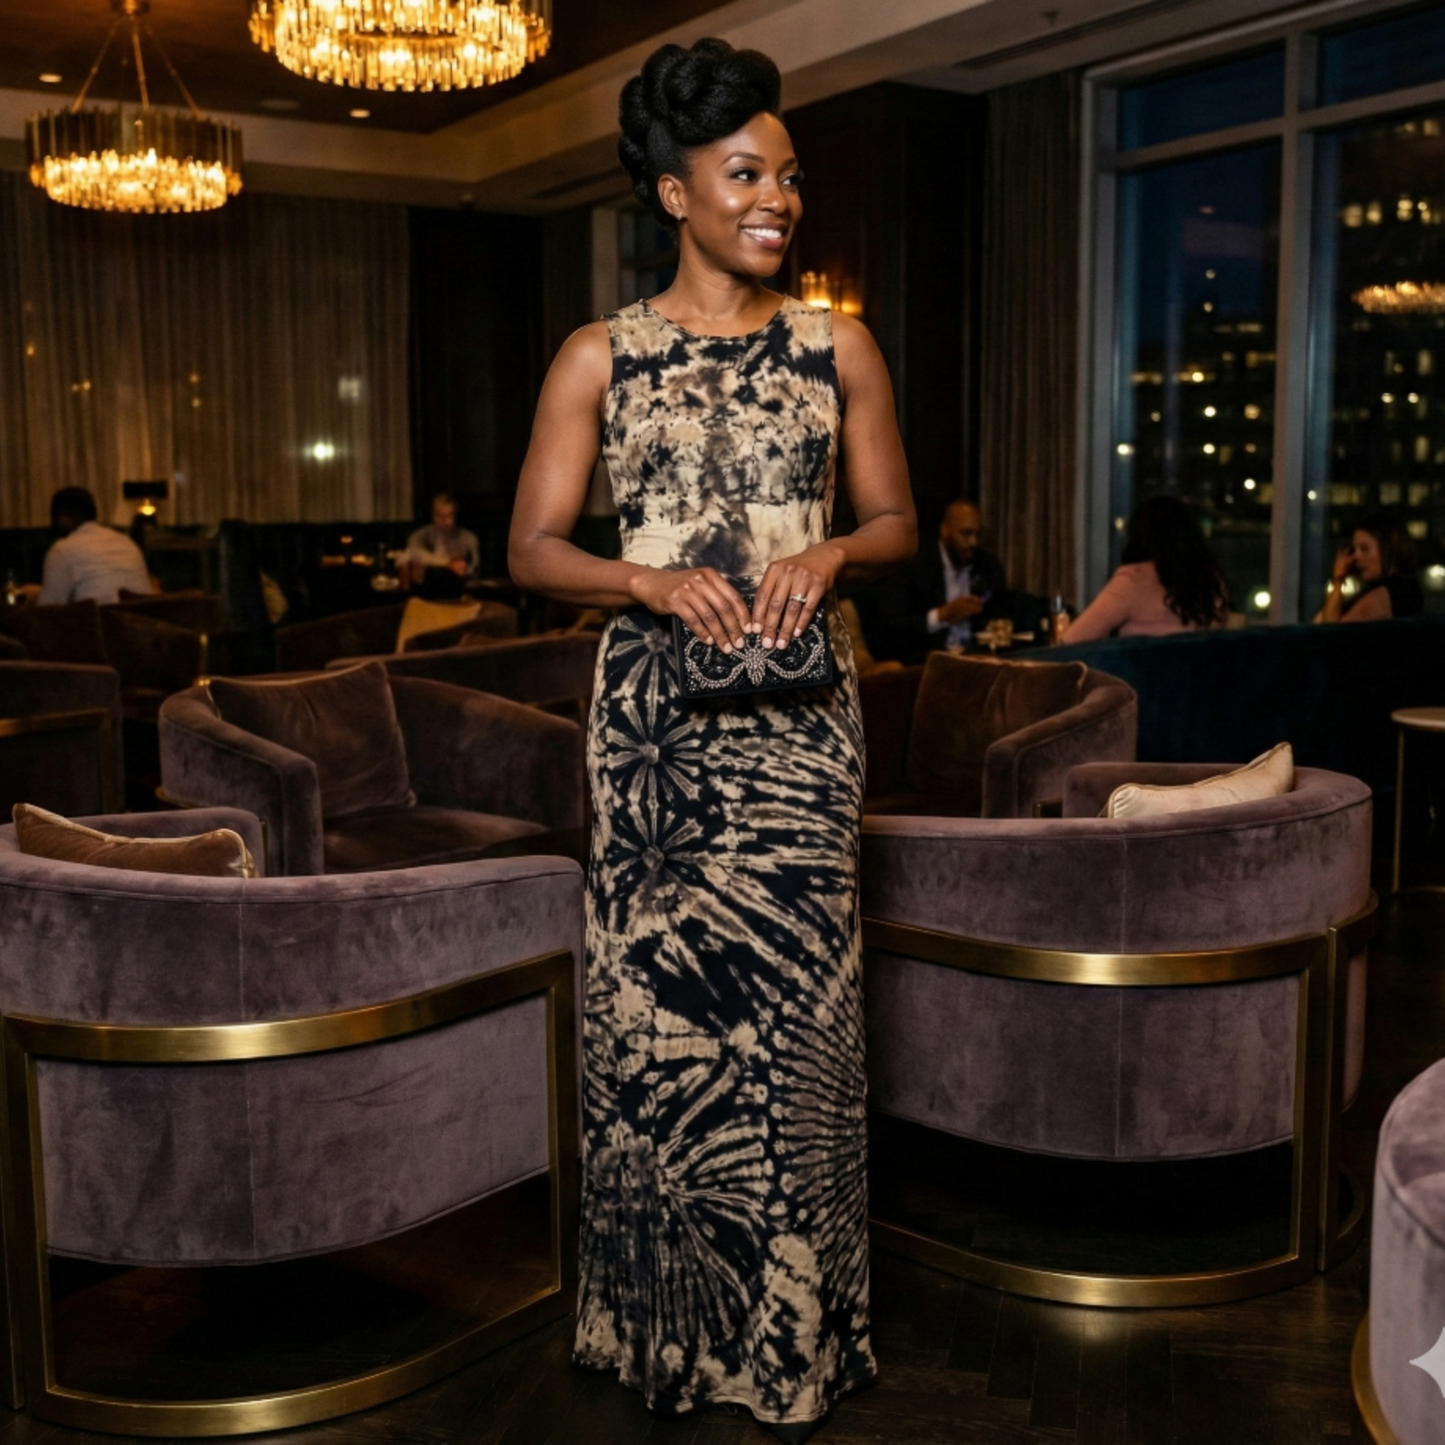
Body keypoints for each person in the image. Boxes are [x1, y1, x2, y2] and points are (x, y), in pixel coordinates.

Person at [507, 38, 916, 1443]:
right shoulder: (598, 356)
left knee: (796, 1023)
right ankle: (663, 1330)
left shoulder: (836, 346)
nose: (777, 199)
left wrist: (832, 553)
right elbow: (532, 547)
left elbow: (895, 520)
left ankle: (796, 1339)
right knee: (662, 1025)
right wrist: (643, 579)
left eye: (787, 175)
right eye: (745, 174)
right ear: (674, 192)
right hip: (656, 742)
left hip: (802, 729)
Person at [1064, 494, 1228, 643]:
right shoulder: (1211, 579)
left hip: (1144, 667)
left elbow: (1073, 639)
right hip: (1202, 667)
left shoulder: (1134, 580)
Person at [876, 498, 1005, 662]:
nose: (974, 542)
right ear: (944, 531)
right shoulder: (915, 567)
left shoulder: (988, 565)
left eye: (977, 535)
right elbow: (892, 629)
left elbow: (1001, 611)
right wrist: (943, 615)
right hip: (929, 659)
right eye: (966, 534)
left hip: (979, 657)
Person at [38, 487, 153, 606]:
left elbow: (50, 607)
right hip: (144, 615)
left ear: (64, 518)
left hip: (102, 616)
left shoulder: (62, 550)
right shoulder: (127, 542)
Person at [1315, 512, 1423, 623]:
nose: (1355, 557)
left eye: (1364, 549)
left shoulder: (1389, 593)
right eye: (1354, 549)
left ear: (1388, 549)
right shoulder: (1373, 591)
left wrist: (1338, 581)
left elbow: (1330, 629)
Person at [405, 492, 480, 578]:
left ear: (456, 515)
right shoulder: (421, 535)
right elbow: (413, 553)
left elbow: (475, 568)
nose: (444, 520)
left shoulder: (469, 538)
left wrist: (465, 570)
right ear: (432, 515)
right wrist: (448, 563)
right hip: (429, 581)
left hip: (459, 582)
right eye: (439, 515)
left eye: (449, 515)